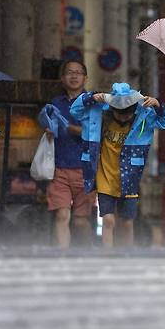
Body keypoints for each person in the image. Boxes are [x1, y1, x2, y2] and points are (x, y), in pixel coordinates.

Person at [70, 82, 165, 248]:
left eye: (127, 114)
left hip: (129, 179)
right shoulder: (98, 115)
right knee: (108, 220)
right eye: (119, 113)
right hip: (105, 179)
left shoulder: (144, 117)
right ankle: (107, 255)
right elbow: (75, 111)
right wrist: (91, 97)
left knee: (127, 222)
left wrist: (158, 104)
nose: (123, 117)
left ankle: (127, 254)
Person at [41, 60, 96, 248]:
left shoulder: (92, 103)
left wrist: (69, 127)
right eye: (69, 73)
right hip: (59, 168)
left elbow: (92, 134)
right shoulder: (55, 103)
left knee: (81, 221)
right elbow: (50, 126)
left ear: (85, 78)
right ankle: (62, 258)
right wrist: (50, 130)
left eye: (78, 72)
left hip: (85, 169)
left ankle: (89, 252)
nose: (74, 76)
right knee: (62, 215)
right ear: (62, 78)